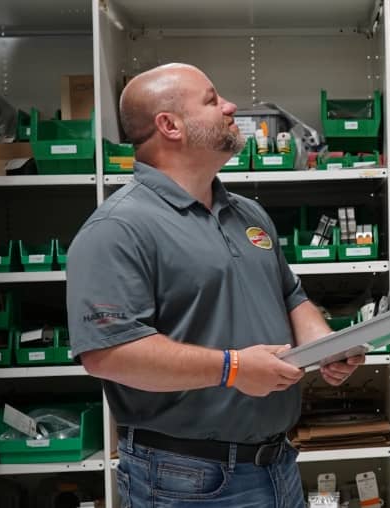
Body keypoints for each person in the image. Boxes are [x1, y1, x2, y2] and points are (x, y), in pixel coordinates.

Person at [66, 63, 363, 508]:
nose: (229, 107)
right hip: (185, 479)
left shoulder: (247, 213)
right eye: (211, 100)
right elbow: (107, 353)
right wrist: (234, 368)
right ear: (169, 125)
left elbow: (290, 295)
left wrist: (324, 347)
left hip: (278, 464)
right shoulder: (118, 228)